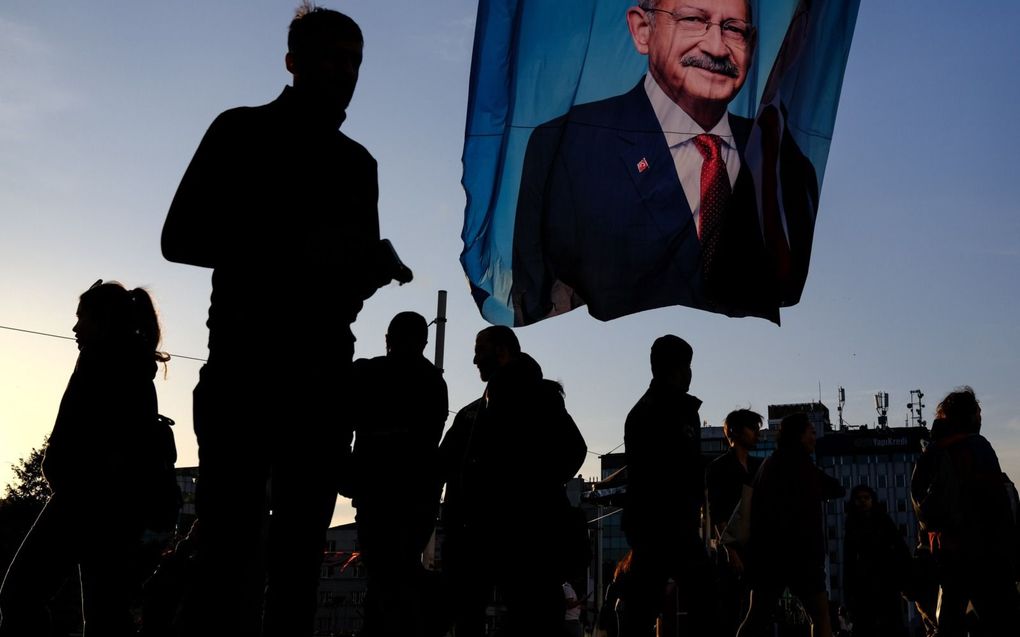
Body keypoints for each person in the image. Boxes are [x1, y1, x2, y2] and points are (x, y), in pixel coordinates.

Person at [160, 7, 405, 636]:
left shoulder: (359, 166)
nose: (345, 73)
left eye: (353, 61)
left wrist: (367, 271)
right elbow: (179, 236)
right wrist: (301, 249)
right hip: (245, 371)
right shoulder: (241, 132)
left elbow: (341, 295)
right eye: (330, 56)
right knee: (230, 558)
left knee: (296, 563)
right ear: (292, 61)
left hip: (320, 381)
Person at [512, 0, 818, 326]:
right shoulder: (568, 147)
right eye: (692, 20)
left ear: (752, 45)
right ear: (643, 30)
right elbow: (538, 289)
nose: (716, 47)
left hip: (747, 366)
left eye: (733, 29)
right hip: (611, 363)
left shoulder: (783, 166)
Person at [0, 281, 174, 636]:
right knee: (105, 614)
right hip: (100, 505)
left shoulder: (111, 366)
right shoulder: (122, 364)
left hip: (86, 502)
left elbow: (106, 447)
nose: (75, 328)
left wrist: (75, 480)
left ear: (104, 320)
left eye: (82, 318)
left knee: (22, 596)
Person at [439, 326, 587, 637]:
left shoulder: (540, 400)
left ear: (503, 351)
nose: (475, 359)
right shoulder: (472, 414)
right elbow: (445, 466)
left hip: (526, 537)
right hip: (480, 535)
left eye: (481, 350)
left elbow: (574, 449)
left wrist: (529, 493)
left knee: (532, 615)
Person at [347, 312, 448, 637]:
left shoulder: (367, 372)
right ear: (425, 341)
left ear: (388, 339)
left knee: (384, 571)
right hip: (416, 495)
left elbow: (344, 423)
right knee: (397, 569)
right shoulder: (434, 381)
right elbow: (429, 437)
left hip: (378, 491)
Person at [621, 335, 719, 636]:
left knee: (645, 606)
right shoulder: (663, 411)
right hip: (665, 524)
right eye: (688, 366)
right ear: (677, 369)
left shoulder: (653, 410)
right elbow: (669, 469)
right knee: (701, 601)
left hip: (663, 524)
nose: (691, 374)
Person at [909, 388, 1019, 635]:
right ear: (968, 416)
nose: (981, 416)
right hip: (985, 553)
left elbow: (924, 510)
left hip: (948, 554)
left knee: (951, 623)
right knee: (1001, 621)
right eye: (978, 411)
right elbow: (996, 504)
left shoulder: (931, 452)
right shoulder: (977, 446)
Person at [737, 412, 844, 637]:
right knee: (820, 615)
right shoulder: (801, 465)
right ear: (800, 436)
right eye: (811, 432)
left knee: (756, 616)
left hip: (768, 555)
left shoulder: (769, 463)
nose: (815, 437)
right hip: (802, 555)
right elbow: (834, 487)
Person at [705, 408, 762, 635]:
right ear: (736, 432)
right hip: (733, 548)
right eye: (753, 429)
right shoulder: (718, 468)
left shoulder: (759, 466)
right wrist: (729, 550)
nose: (757, 433)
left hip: (756, 546)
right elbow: (716, 511)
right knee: (731, 610)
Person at [842, 484, 909, 637]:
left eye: (866, 498)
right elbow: (848, 562)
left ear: (872, 500)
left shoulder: (882, 520)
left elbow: (900, 546)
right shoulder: (852, 525)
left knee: (890, 625)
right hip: (865, 585)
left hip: (885, 580)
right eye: (859, 499)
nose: (863, 501)